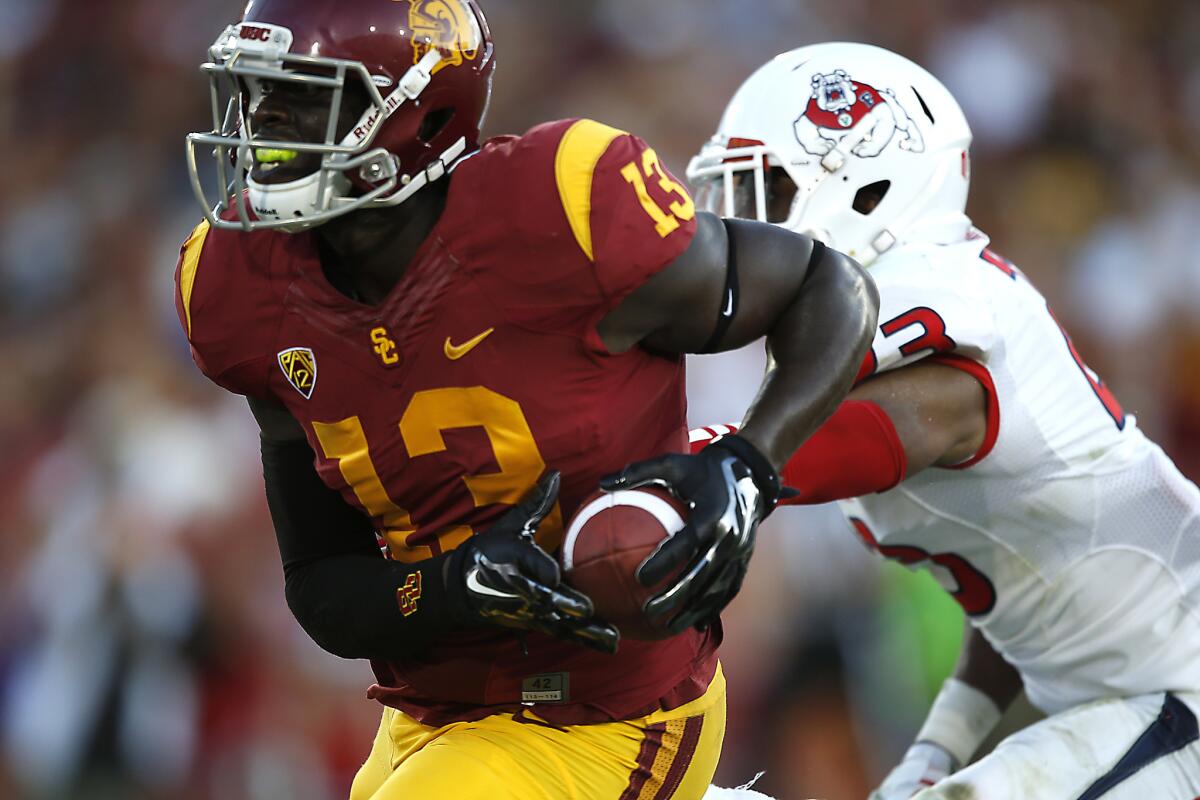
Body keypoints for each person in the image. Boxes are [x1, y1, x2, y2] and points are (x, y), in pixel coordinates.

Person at [173, 3, 878, 798]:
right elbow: (324, 588)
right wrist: (454, 587)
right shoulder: (238, 287)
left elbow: (828, 288)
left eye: (303, 96)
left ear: (418, 112)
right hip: (429, 720)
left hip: (608, 715)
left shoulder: (564, 209)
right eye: (257, 92)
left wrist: (751, 465)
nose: (262, 125)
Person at [688, 42, 1200, 799]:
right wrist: (935, 751)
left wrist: (690, 460)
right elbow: (1014, 598)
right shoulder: (871, 334)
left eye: (763, 192)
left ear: (868, 191)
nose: (737, 227)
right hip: (1143, 688)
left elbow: (875, 434)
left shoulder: (942, 320)